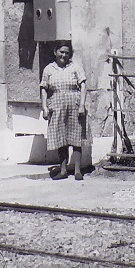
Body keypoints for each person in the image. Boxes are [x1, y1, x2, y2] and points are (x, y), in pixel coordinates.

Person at [40, 41, 87, 181]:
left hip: (75, 105)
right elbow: (43, 88)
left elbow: (83, 86)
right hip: (57, 106)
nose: (64, 55)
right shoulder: (49, 69)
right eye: (61, 52)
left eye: (67, 53)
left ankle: (78, 170)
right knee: (60, 138)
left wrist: (82, 105)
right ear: (55, 52)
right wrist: (44, 108)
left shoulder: (75, 67)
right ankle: (63, 170)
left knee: (76, 137)